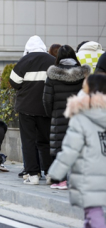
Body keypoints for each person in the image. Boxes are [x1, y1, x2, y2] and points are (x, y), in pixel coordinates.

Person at [48, 74, 106, 228]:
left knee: (94, 211)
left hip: (89, 172)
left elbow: (70, 150)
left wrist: (56, 174)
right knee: (91, 214)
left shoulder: (82, 117)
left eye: (84, 86)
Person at [43, 45, 91, 190]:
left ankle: (62, 180)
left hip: (59, 117)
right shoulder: (84, 74)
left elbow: (46, 100)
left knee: (60, 148)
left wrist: (50, 114)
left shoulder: (52, 76)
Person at [9, 35, 55, 185]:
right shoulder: (51, 60)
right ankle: (49, 173)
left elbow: (14, 82)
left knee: (28, 141)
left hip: (26, 107)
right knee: (45, 141)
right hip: (45, 108)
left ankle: (33, 174)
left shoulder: (25, 60)